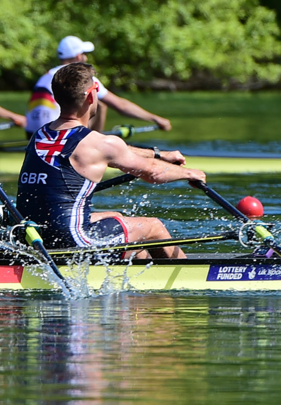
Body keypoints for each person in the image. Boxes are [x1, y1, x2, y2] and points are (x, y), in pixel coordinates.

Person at [16, 63, 204, 259]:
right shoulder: (98, 143)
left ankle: (141, 279)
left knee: (117, 218)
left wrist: (157, 154)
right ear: (91, 95)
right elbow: (153, 173)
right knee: (153, 227)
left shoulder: (40, 135)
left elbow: (113, 151)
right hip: (71, 241)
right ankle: (194, 278)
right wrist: (190, 173)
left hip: (34, 236)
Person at [25, 36, 172, 136]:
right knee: (101, 105)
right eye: (84, 54)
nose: (86, 57)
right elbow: (120, 105)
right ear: (78, 57)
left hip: (34, 135)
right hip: (58, 135)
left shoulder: (46, 76)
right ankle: (94, 149)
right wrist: (155, 119)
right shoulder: (78, 77)